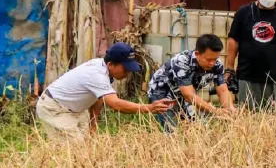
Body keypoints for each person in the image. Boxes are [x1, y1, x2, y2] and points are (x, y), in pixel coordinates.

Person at [35, 42, 173, 141]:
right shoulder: (96, 75)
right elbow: (115, 104)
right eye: (125, 68)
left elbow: (99, 98)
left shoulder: (105, 71)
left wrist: (93, 125)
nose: (127, 73)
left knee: (89, 146)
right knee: (75, 152)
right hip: (55, 108)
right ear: (111, 64)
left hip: (76, 109)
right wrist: (149, 108)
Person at [147, 34, 234, 130]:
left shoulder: (217, 64)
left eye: (215, 59)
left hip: (186, 94)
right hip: (162, 93)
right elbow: (188, 95)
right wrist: (215, 110)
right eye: (209, 59)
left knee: (200, 127)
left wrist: (229, 110)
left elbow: (222, 90)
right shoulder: (181, 61)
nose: (212, 63)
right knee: (171, 130)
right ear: (197, 54)